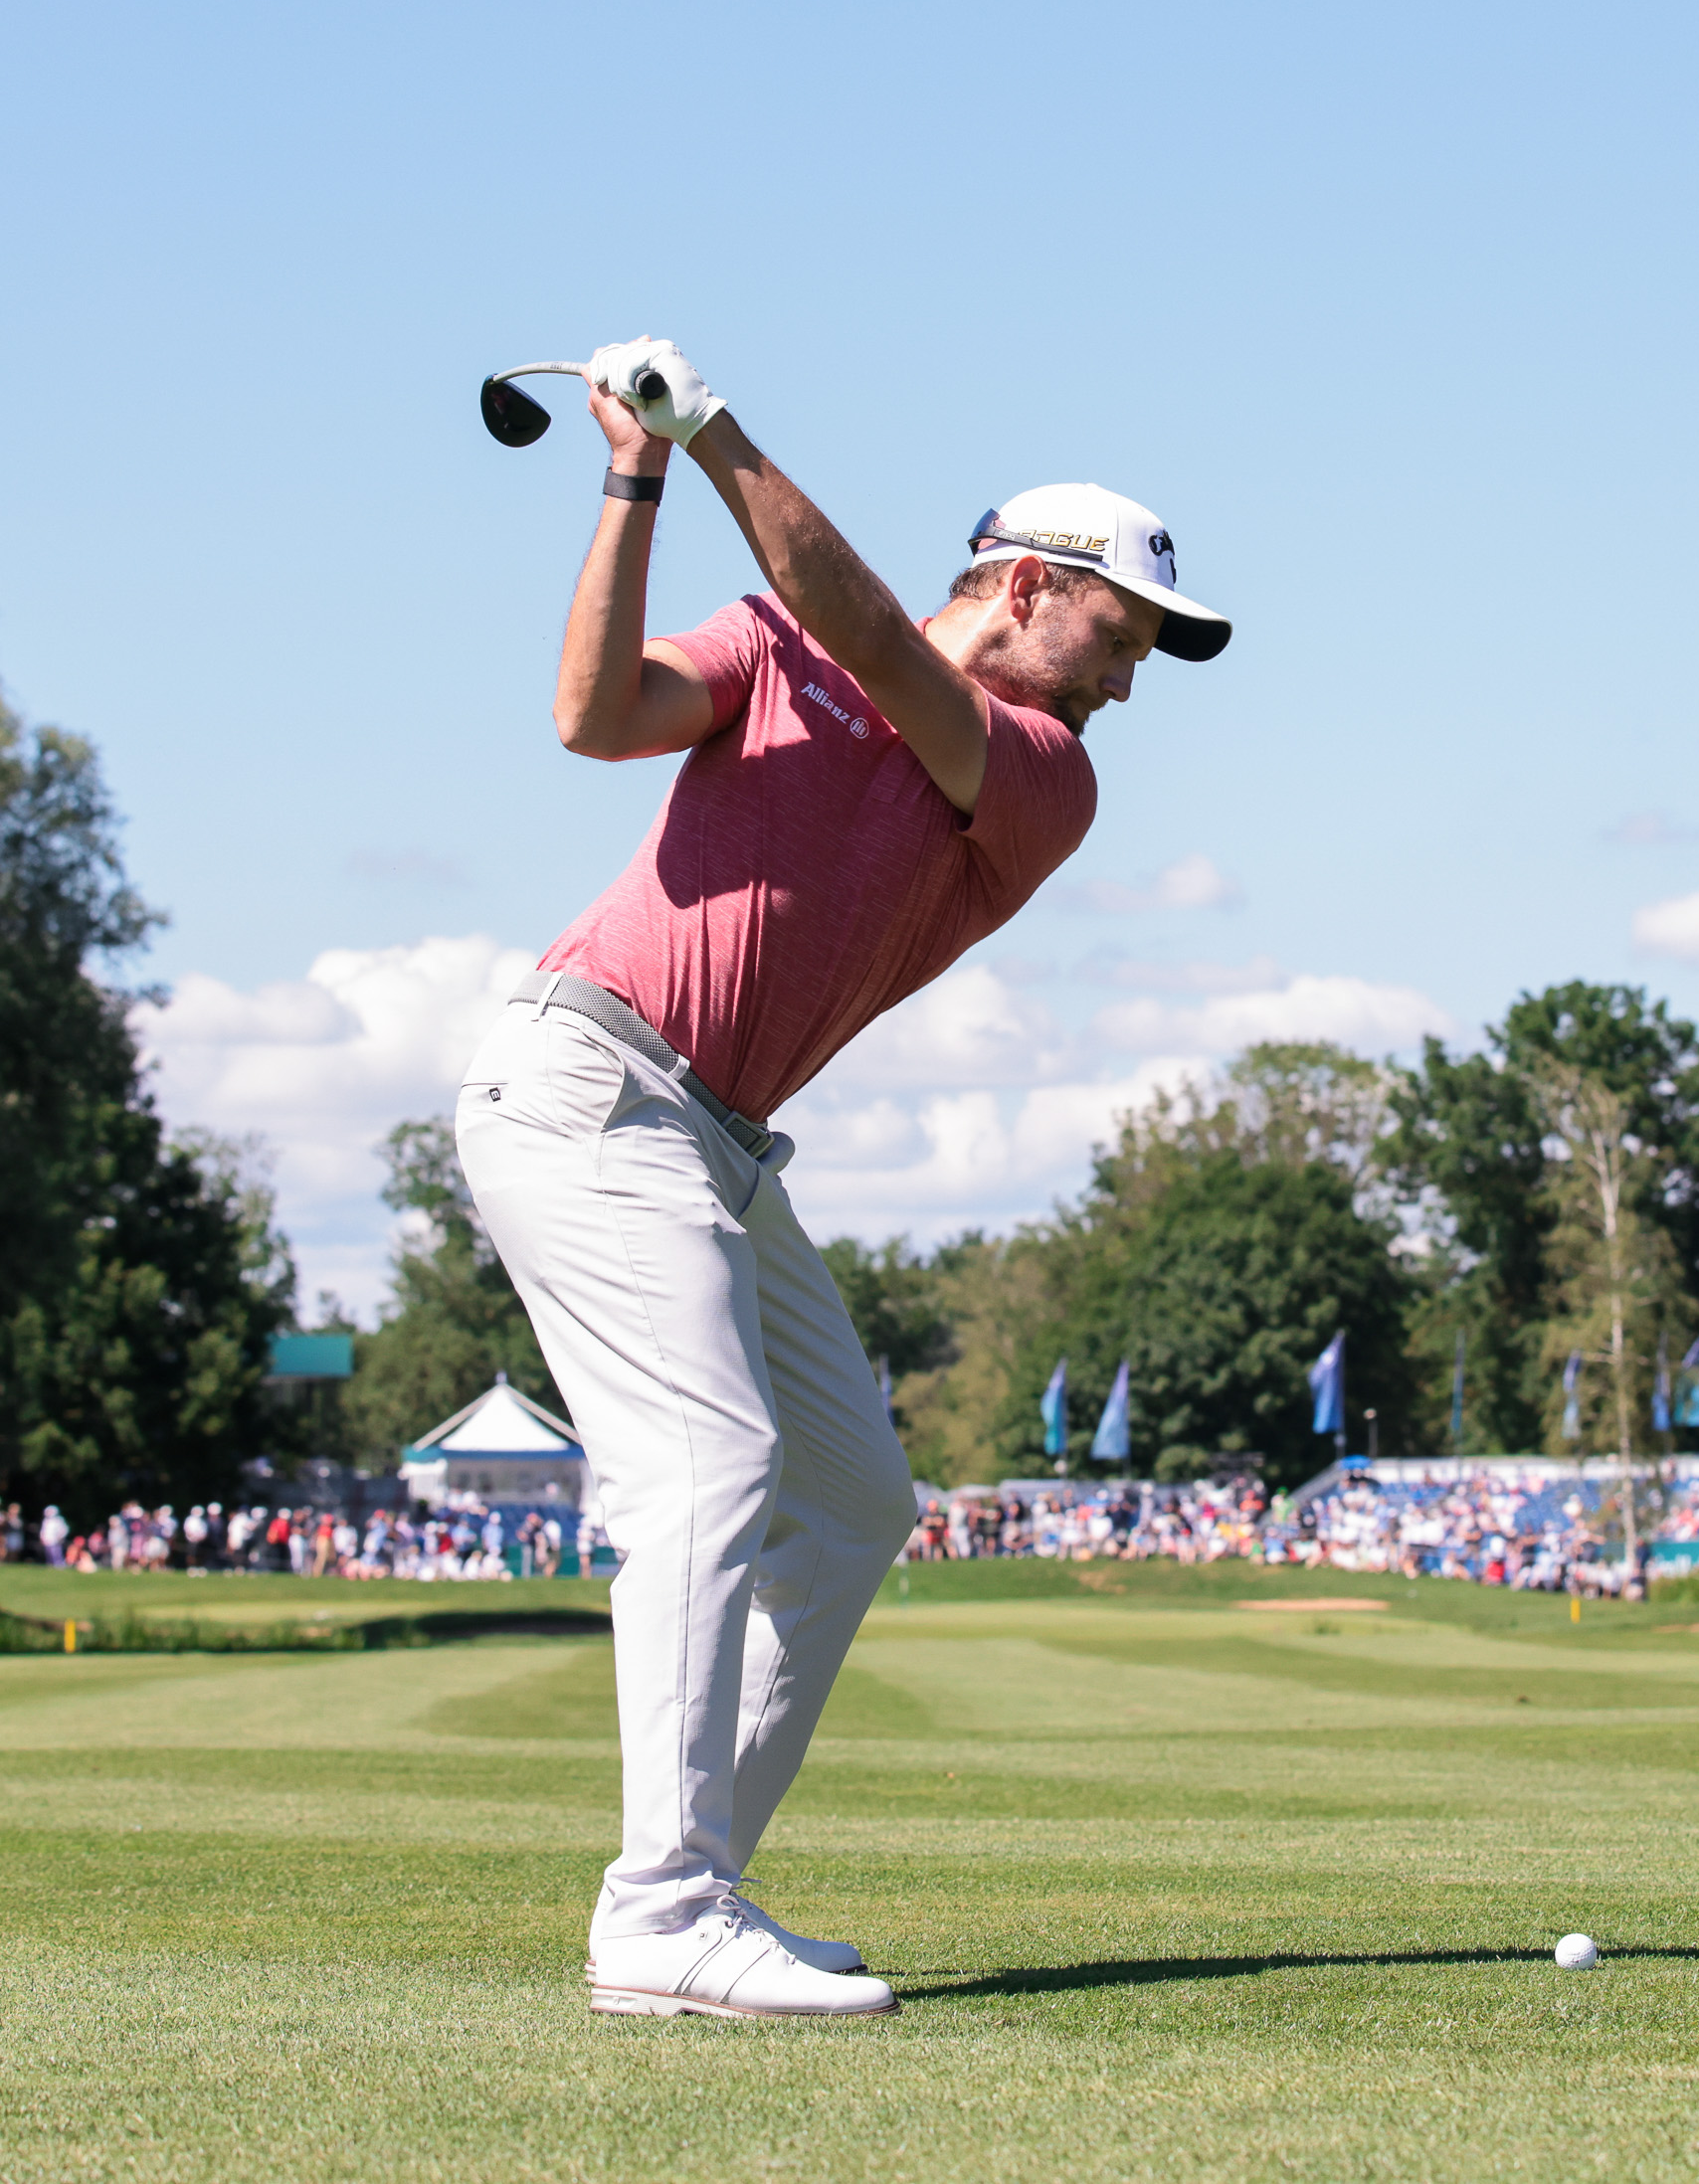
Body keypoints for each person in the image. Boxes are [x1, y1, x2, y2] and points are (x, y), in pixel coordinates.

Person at [454, 339, 1227, 2023]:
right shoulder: (770, 644)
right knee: (708, 1461)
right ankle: (661, 1916)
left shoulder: (1043, 774)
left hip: (714, 1145)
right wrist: (638, 473)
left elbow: (878, 644)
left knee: (856, 1495)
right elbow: (593, 717)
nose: (1127, 683)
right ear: (1026, 584)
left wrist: (715, 430)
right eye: (1120, 637)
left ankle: (694, 1887)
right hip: (588, 1081)